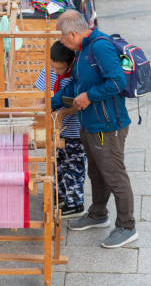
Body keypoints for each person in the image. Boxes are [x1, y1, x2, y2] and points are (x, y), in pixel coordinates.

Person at [52, 10, 138, 249]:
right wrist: (50, 103)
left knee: (114, 175)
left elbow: (117, 81)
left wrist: (90, 96)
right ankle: (98, 214)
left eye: (61, 36)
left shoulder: (99, 48)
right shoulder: (83, 50)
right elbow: (77, 87)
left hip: (107, 126)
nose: (61, 41)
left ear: (71, 34)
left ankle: (126, 226)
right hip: (90, 123)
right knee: (97, 172)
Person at [34, 41, 86, 218]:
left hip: (75, 128)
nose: (56, 72)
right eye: (53, 67)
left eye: (60, 69)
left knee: (74, 165)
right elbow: (40, 96)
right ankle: (60, 196)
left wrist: (62, 113)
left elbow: (79, 104)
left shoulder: (78, 75)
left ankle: (75, 203)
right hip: (55, 128)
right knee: (58, 164)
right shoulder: (49, 71)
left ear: (71, 63)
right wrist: (38, 111)